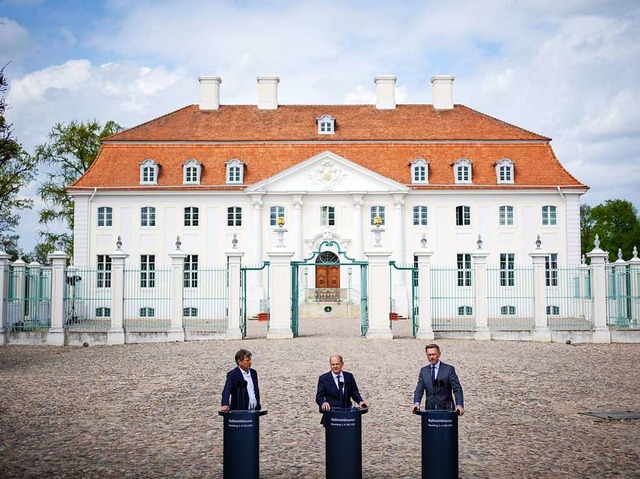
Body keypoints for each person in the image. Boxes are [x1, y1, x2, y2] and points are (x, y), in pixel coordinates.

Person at [413, 343, 464, 415]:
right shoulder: (424, 371)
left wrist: (459, 405)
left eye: (434, 354)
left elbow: (457, 389)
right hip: (430, 410)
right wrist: (416, 403)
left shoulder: (448, 369)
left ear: (439, 354)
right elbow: (419, 389)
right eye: (429, 355)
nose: (431, 357)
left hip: (446, 410)